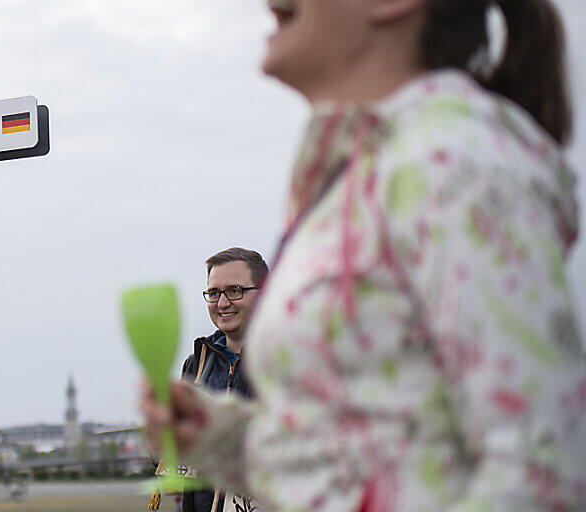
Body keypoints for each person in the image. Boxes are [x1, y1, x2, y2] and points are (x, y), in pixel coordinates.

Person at [142, 0, 586, 510]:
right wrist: (217, 436)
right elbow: (363, 470)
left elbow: (541, 468)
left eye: (234, 290)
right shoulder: (372, 170)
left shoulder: (453, 162)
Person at [161, 248, 266, 512]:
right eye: (214, 293)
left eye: (235, 291)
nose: (222, 303)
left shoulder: (287, 362)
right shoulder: (196, 365)